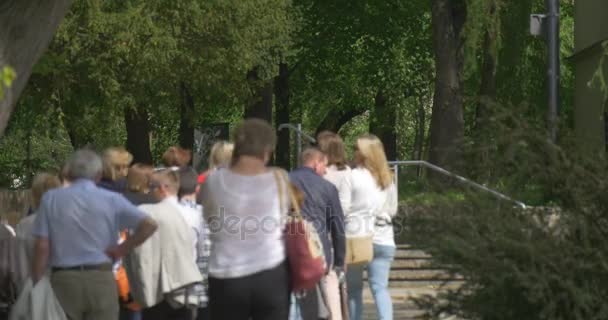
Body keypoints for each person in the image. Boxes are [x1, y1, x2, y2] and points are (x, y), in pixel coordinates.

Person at [31, 149, 158, 320]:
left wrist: (37, 282)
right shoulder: (111, 199)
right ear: (99, 175)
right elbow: (149, 225)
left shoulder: (51, 199)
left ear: (68, 172)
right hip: (101, 276)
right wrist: (122, 249)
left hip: (64, 279)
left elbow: (42, 245)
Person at [198, 119, 290, 320]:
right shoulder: (280, 179)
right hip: (270, 271)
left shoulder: (214, 181)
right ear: (268, 149)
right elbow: (282, 220)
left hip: (226, 274)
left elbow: (208, 217)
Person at [124, 169, 203, 320]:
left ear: (162, 188)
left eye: (151, 186)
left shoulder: (144, 213)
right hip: (186, 287)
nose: (148, 191)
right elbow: (202, 252)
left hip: (155, 290)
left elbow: (135, 254)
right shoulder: (196, 214)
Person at [289, 147, 346, 320]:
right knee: (318, 305)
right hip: (318, 253)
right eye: (324, 166)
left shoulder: (284, 180)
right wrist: (339, 261)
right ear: (316, 163)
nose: (326, 170)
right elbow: (338, 226)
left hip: (288, 249)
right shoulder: (328, 187)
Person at [346, 135, 398, 320]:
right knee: (380, 288)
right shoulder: (388, 179)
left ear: (364, 153)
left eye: (356, 148)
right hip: (384, 237)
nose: (353, 151)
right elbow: (392, 209)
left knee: (353, 290)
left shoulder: (352, 176)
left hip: (357, 237)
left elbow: (344, 207)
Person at [317, 131, 353, 320]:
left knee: (339, 279)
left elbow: (345, 204)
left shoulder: (343, 172)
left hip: (335, 228)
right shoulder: (320, 170)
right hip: (321, 228)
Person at [14, 173, 61, 290]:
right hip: (63, 289)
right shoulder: (69, 222)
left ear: (34, 195)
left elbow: (20, 266)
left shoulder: (24, 225)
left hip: (33, 288)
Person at [177, 167, 210, 320]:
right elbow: (205, 254)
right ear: (197, 188)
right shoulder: (204, 215)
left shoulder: (164, 212)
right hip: (198, 289)